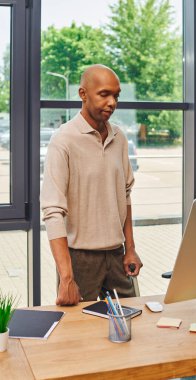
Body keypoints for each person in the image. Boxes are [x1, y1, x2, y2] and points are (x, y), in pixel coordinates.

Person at [41, 64, 143, 306]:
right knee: (77, 335)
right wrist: (66, 276)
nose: (112, 102)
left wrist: (131, 248)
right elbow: (53, 212)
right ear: (83, 94)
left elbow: (125, 196)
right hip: (80, 259)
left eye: (116, 95)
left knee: (132, 326)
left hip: (117, 256)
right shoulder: (63, 140)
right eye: (104, 94)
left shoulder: (119, 138)